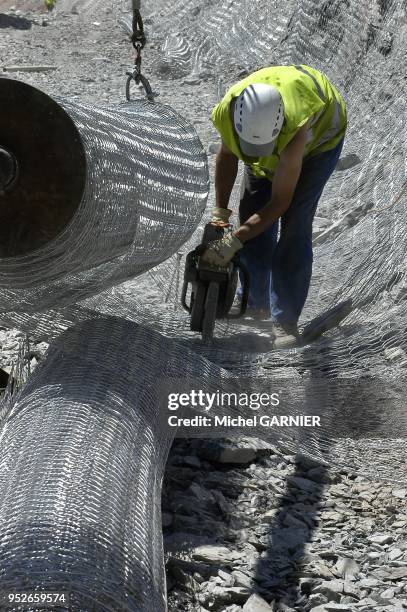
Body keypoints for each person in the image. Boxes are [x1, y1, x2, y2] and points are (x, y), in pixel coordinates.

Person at [202, 64, 347, 348]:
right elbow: (228, 157)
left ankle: (285, 320)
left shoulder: (296, 126)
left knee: (295, 225)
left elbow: (281, 202)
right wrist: (220, 216)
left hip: (320, 142)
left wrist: (233, 241)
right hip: (273, 136)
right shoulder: (228, 112)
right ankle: (256, 304)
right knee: (251, 210)